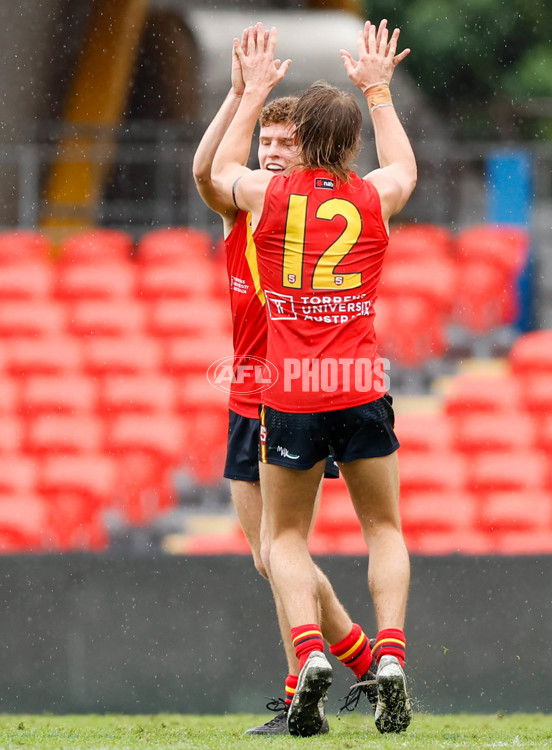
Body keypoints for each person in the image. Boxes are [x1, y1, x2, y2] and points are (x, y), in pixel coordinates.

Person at [212, 19, 416, 737]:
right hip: (361, 383)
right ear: (351, 144)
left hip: (289, 392)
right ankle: (388, 655)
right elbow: (406, 169)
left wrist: (251, 92)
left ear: (297, 142)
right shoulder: (375, 197)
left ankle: (309, 653)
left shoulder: (263, 199)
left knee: (284, 540)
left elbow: (216, 171)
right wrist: (378, 88)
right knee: (384, 528)